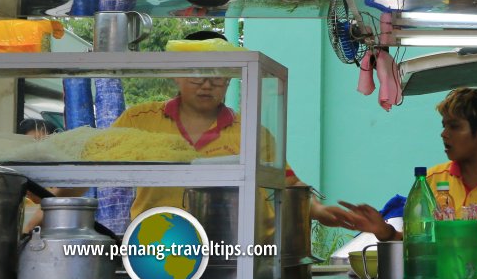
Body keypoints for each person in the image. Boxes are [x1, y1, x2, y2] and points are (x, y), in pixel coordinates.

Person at [109, 30, 336, 225]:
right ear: (176, 75)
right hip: (159, 251)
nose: (207, 84)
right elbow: (90, 161)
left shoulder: (252, 133)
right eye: (198, 75)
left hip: (233, 250)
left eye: (218, 76)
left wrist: (320, 211)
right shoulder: (138, 120)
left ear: (230, 79)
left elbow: (289, 184)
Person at [323, 87, 477, 252]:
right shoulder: (430, 181)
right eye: (444, 126)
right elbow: (419, 245)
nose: (444, 134)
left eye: (454, 126)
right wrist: (385, 231)